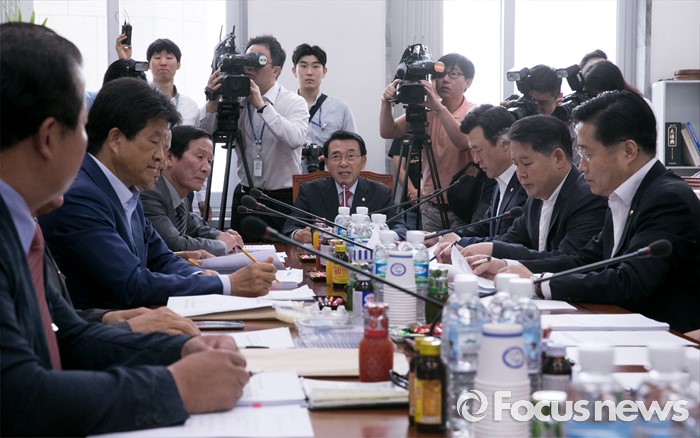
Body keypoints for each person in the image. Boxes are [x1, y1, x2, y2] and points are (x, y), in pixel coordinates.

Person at [1, 22, 250, 436]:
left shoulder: (22, 224)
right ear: (48, 138)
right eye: (82, 127)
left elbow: (70, 336)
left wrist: (181, 348)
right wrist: (175, 387)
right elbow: (19, 398)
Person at [39, 77, 276, 310]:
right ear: (116, 139)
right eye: (154, 142)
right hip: (102, 328)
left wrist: (200, 275)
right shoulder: (81, 196)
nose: (161, 159)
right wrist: (227, 284)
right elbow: (130, 284)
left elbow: (160, 258)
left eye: (165, 147)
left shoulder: (127, 191)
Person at [478, 91, 700, 333]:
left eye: (588, 154)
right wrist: (509, 266)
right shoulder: (623, 196)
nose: (581, 166)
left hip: (669, 339)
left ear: (628, 151)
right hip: (625, 328)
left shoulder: (667, 199)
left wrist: (538, 284)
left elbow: (629, 281)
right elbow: (583, 261)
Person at [444, 115, 607, 264]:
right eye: (516, 164)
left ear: (558, 158)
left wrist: (504, 261)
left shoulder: (587, 197)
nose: (520, 173)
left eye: (527, 163)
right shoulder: (536, 197)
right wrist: (474, 246)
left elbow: (569, 260)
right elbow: (512, 239)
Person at [35, 196, 200, 336]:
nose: (161, 165)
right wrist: (125, 327)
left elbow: (55, 320)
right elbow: (131, 284)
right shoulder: (81, 197)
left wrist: (105, 318)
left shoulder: (131, 199)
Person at [380, 53, 477, 231]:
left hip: (463, 206)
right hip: (430, 205)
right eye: (440, 74)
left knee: (458, 248)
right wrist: (386, 102)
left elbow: (463, 142)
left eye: (453, 74)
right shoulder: (427, 109)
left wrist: (439, 108)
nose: (445, 79)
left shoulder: (473, 112)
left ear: (468, 82)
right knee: (427, 247)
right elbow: (388, 131)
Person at [229, 34, 309, 239]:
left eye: (259, 60)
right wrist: (213, 101)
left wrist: (262, 106)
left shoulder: (294, 102)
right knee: (241, 253)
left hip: (282, 199)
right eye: (247, 59)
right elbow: (207, 133)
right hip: (246, 196)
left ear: (276, 70)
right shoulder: (236, 100)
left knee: (284, 254)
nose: (250, 66)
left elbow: (295, 139)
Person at [281, 130, 407, 241]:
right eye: (336, 157)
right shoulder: (311, 191)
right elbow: (290, 228)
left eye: (350, 156)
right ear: (327, 163)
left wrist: (382, 236)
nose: (343, 163)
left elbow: (400, 228)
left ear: (363, 162)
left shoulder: (380, 193)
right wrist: (298, 235)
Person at [434, 104, 526, 251]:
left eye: (478, 150)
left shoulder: (526, 183)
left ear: (504, 143)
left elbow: (513, 240)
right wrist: (439, 237)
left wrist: (461, 242)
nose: (476, 159)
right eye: (472, 151)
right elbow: (484, 228)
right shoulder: (500, 180)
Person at [141, 125, 243, 256]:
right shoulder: (151, 193)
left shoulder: (181, 196)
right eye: (200, 157)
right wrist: (222, 245)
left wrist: (221, 236)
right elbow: (173, 245)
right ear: (169, 157)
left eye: (209, 161)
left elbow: (195, 228)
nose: (207, 168)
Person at [291, 43, 357, 167]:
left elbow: (353, 148)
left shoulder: (340, 108)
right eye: (303, 66)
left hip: (329, 175)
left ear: (324, 72)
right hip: (290, 175)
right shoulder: (284, 106)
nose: (309, 72)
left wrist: (331, 154)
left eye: (316, 66)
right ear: (294, 71)